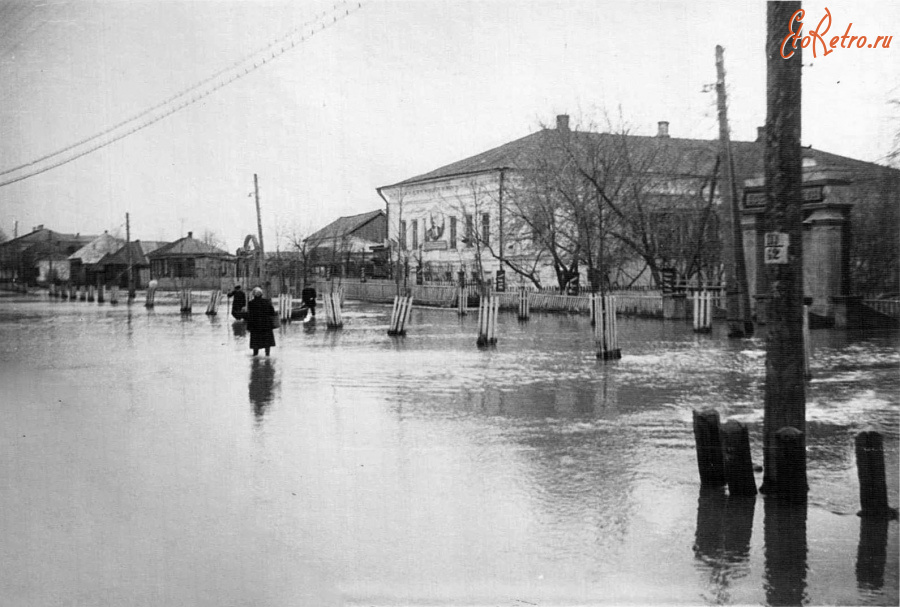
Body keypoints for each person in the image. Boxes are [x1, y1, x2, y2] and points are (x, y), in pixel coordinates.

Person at [246, 287, 276, 356]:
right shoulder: (267, 302)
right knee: (267, 343)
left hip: (255, 326)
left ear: (253, 294)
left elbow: (250, 316)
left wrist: (248, 327)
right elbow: (272, 312)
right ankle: (267, 356)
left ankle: (255, 357)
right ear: (262, 294)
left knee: (255, 343)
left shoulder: (251, 303)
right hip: (266, 325)